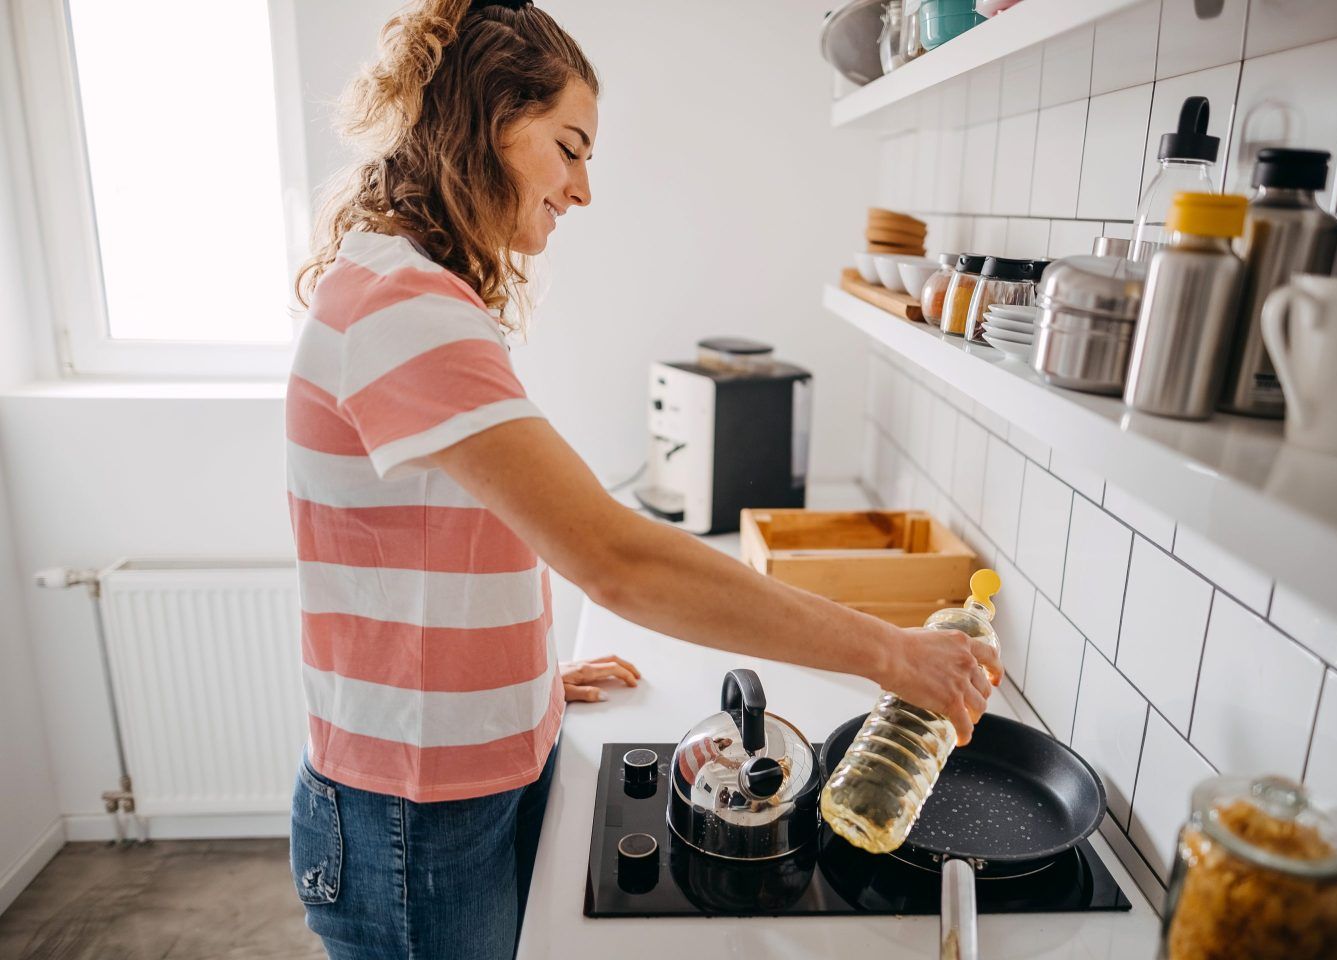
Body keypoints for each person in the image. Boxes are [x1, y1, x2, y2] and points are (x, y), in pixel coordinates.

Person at [283, 2, 1002, 958]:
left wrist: (525, 682)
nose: (583, 189)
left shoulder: (409, 288)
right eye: (568, 147)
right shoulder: (407, 308)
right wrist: (893, 656)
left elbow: (441, 541)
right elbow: (618, 562)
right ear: (490, 121)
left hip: (446, 781)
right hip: (415, 820)